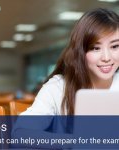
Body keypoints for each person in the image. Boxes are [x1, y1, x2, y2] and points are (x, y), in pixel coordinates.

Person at [11, 8, 119, 149]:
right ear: (81, 51)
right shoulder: (58, 87)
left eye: (115, 46)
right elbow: (20, 134)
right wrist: (74, 141)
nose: (106, 57)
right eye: (95, 48)